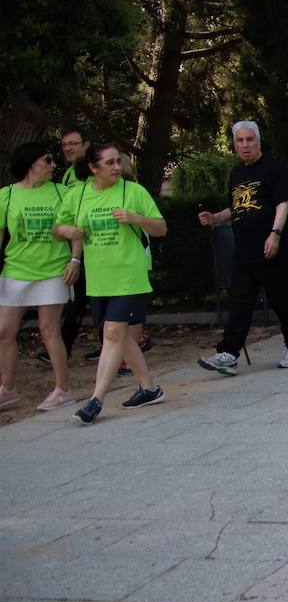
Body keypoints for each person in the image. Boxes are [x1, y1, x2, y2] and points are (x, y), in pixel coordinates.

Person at [54, 143, 168, 424]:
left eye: (118, 161)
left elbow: (161, 228)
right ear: (93, 168)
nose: (117, 167)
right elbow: (58, 229)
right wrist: (67, 231)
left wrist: (137, 218)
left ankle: (96, 400)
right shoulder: (77, 195)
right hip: (99, 280)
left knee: (113, 334)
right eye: (110, 163)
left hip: (129, 276)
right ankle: (150, 388)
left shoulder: (133, 191)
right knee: (121, 336)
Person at [196, 121, 288, 376]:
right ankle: (229, 353)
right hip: (243, 250)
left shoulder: (273, 168)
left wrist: (275, 234)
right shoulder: (236, 173)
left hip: (270, 247)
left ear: (258, 141)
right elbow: (235, 208)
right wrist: (215, 218)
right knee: (240, 302)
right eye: (240, 141)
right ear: (234, 144)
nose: (245, 145)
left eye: (249, 140)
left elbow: (282, 204)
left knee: (281, 301)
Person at [0, 143, 77, 411]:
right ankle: (7, 389)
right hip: (15, 271)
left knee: (49, 330)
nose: (53, 165)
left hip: (53, 271)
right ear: (32, 163)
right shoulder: (7, 196)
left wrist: (75, 260)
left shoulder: (61, 191)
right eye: (48, 160)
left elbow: (75, 227)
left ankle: (63, 389)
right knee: (4, 331)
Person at [55, 126, 91, 360]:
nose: (68, 148)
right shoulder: (69, 173)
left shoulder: (90, 168)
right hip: (75, 240)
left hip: (91, 242)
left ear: (86, 145)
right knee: (79, 293)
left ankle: (64, 344)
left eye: (73, 144)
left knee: (82, 294)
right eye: (64, 145)